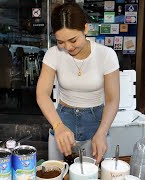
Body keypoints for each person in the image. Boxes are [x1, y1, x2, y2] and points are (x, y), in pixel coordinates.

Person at [36, 2, 120, 163]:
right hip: (62, 120)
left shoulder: (106, 55)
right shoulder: (53, 54)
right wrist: (58, 126)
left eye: (73, 40)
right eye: (60, 42)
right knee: (59, 171)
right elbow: (42, 93)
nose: (67, 47)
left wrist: (102, 132)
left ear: (85, 29)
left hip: (97, 122)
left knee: (97, 172)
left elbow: (112, 99)